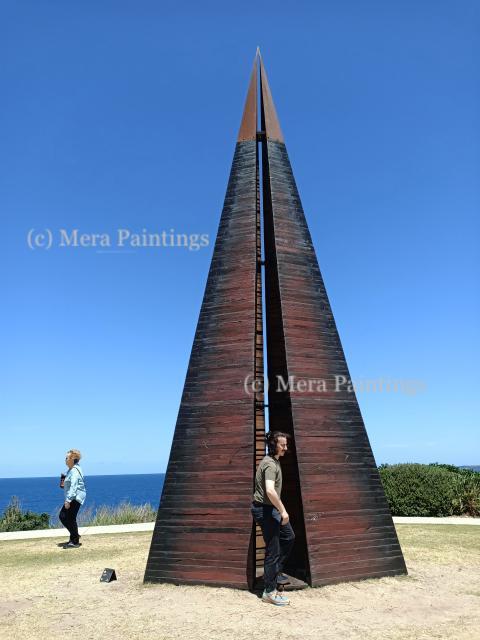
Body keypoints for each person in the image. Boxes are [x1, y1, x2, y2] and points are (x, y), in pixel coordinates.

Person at [251, 431, 295, 606]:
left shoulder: (275, 461)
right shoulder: (269, 464)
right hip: (265, 510)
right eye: (282, 445)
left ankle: (274, 571)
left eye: (285, 444)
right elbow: (270, 490)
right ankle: (269, 592)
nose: (285, 447)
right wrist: (283, 511)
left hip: (271, 509)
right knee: (273, 550)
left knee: (289, 536)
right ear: (273, 445)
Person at [59, 449, 86, 548]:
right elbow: (70, 484)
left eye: (67, 458)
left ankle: (75, 541)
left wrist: (68, 500)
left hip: (75, 497)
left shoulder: (74, 471)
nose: (65, 460)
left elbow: (74, 486)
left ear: (72, 459)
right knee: (66, 517)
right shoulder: (71, 470)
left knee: (67, 517)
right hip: (74, 496)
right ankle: (74, 536)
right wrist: (64, 483)